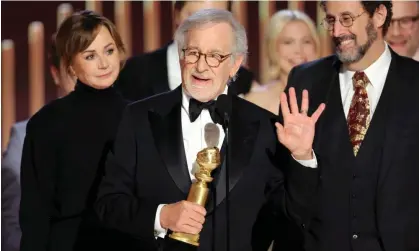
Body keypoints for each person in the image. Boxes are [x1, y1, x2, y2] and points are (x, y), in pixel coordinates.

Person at [95, 9, 324, 251]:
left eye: (215, 56)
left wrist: (302, 158)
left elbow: (292, 216)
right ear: (181, 56)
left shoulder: (265, 127)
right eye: (193, 53)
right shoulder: (138, 117)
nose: (202, 66)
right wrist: (161, 216)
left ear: (235, 64)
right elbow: (107, 205)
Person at [283, 1, 419, 250]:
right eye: (331, 20)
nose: (336, 32)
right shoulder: (305, 80)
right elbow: (287, 202)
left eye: (346, 19)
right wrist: (302, 158)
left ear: (378, 16)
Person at [19, 10, 129, 251]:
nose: (104, 63)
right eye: (90, 56)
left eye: (109, 51)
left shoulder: (140, 117)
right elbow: (35, 211)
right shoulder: (46, 123)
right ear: (69, 65)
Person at [1, 34, 76, 251]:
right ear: (56, 74)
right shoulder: (24, 141)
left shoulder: (132, 130)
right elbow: (15, 237)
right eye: (73, 70)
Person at [115, 0, 256, 102]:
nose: (205, 29)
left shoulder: (243, 80)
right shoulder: (134, 72)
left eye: (216, 19)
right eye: (196, 17)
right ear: (177, 15)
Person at [245, 9, 320, 115]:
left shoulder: (333, 96)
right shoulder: (254, 103)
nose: (298, 50)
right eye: (288, 42)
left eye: (306, 41)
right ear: (273, 48)